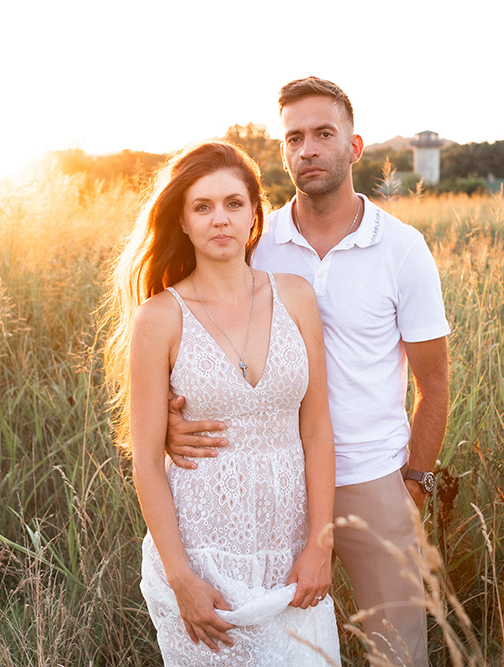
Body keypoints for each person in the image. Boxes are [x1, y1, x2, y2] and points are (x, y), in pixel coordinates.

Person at [166, 77, 451, 665]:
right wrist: (171, 424)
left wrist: (415, 483)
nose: (308, 149)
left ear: (355, 146)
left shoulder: (402, 249)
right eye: (294, 137)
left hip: (372, 478)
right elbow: (189, 334)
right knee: (283, 652)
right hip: (269, 482)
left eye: (324, 134)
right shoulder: (252, 240)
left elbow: (435, 383)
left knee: (398, 655)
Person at [103, 141, 341, 665]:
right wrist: (180, 576)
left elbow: (318, 430)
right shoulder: (159, 319)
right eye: (202, 207)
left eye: (234, 204)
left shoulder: (296, 297)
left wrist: (320, 544)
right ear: (182, 223)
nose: (220, 220)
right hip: (203, 555)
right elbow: (145, 461)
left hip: (291, 553)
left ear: (255, 214)